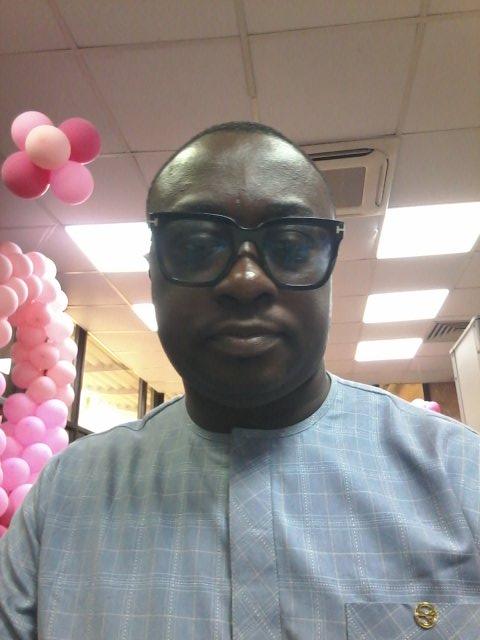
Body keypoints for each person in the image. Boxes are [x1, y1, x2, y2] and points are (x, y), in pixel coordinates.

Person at [1, 121, 480, 639]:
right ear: (153, 273)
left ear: (331, 268)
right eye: (196, 245)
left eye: (292, 246)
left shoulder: (460, 476)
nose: (246, 280)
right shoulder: (65, 497)